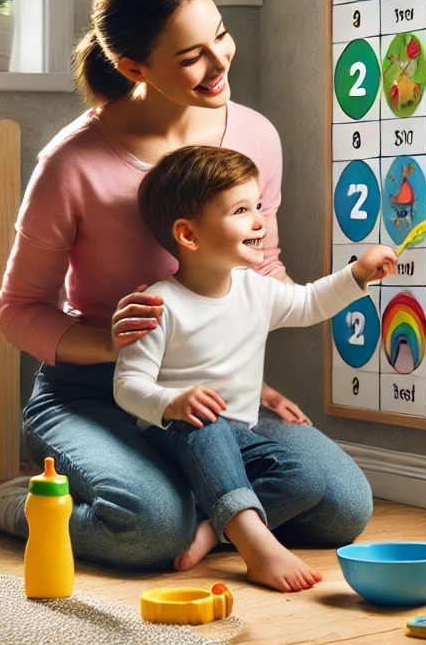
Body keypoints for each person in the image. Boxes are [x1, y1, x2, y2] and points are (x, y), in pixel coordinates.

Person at [0, 0, 375, 570]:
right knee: (148, 528)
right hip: (90, 393)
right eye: (192, 55)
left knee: (343, 506)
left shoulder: (255, 136)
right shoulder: (72, 164)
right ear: (133, 67)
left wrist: (233, 360)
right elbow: (16, 311)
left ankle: (209, 513)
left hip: (208, 396)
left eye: (220, 34)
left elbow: (260, 269)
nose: (220, 63)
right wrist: (120, 346)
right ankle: (26, 505)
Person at [115, 145, 395, 591]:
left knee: (307, 476)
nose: (260, 221)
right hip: (173, 433)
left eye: (258, 206)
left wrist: (357, 274)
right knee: (204, 422)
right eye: (242, 210)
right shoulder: (160, 304)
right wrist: (172, 401)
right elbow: (128, 386)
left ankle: (212, 527)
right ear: (189, 236)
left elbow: (308, 303)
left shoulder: (256, 290)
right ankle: (255, 548)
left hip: (241, 433)